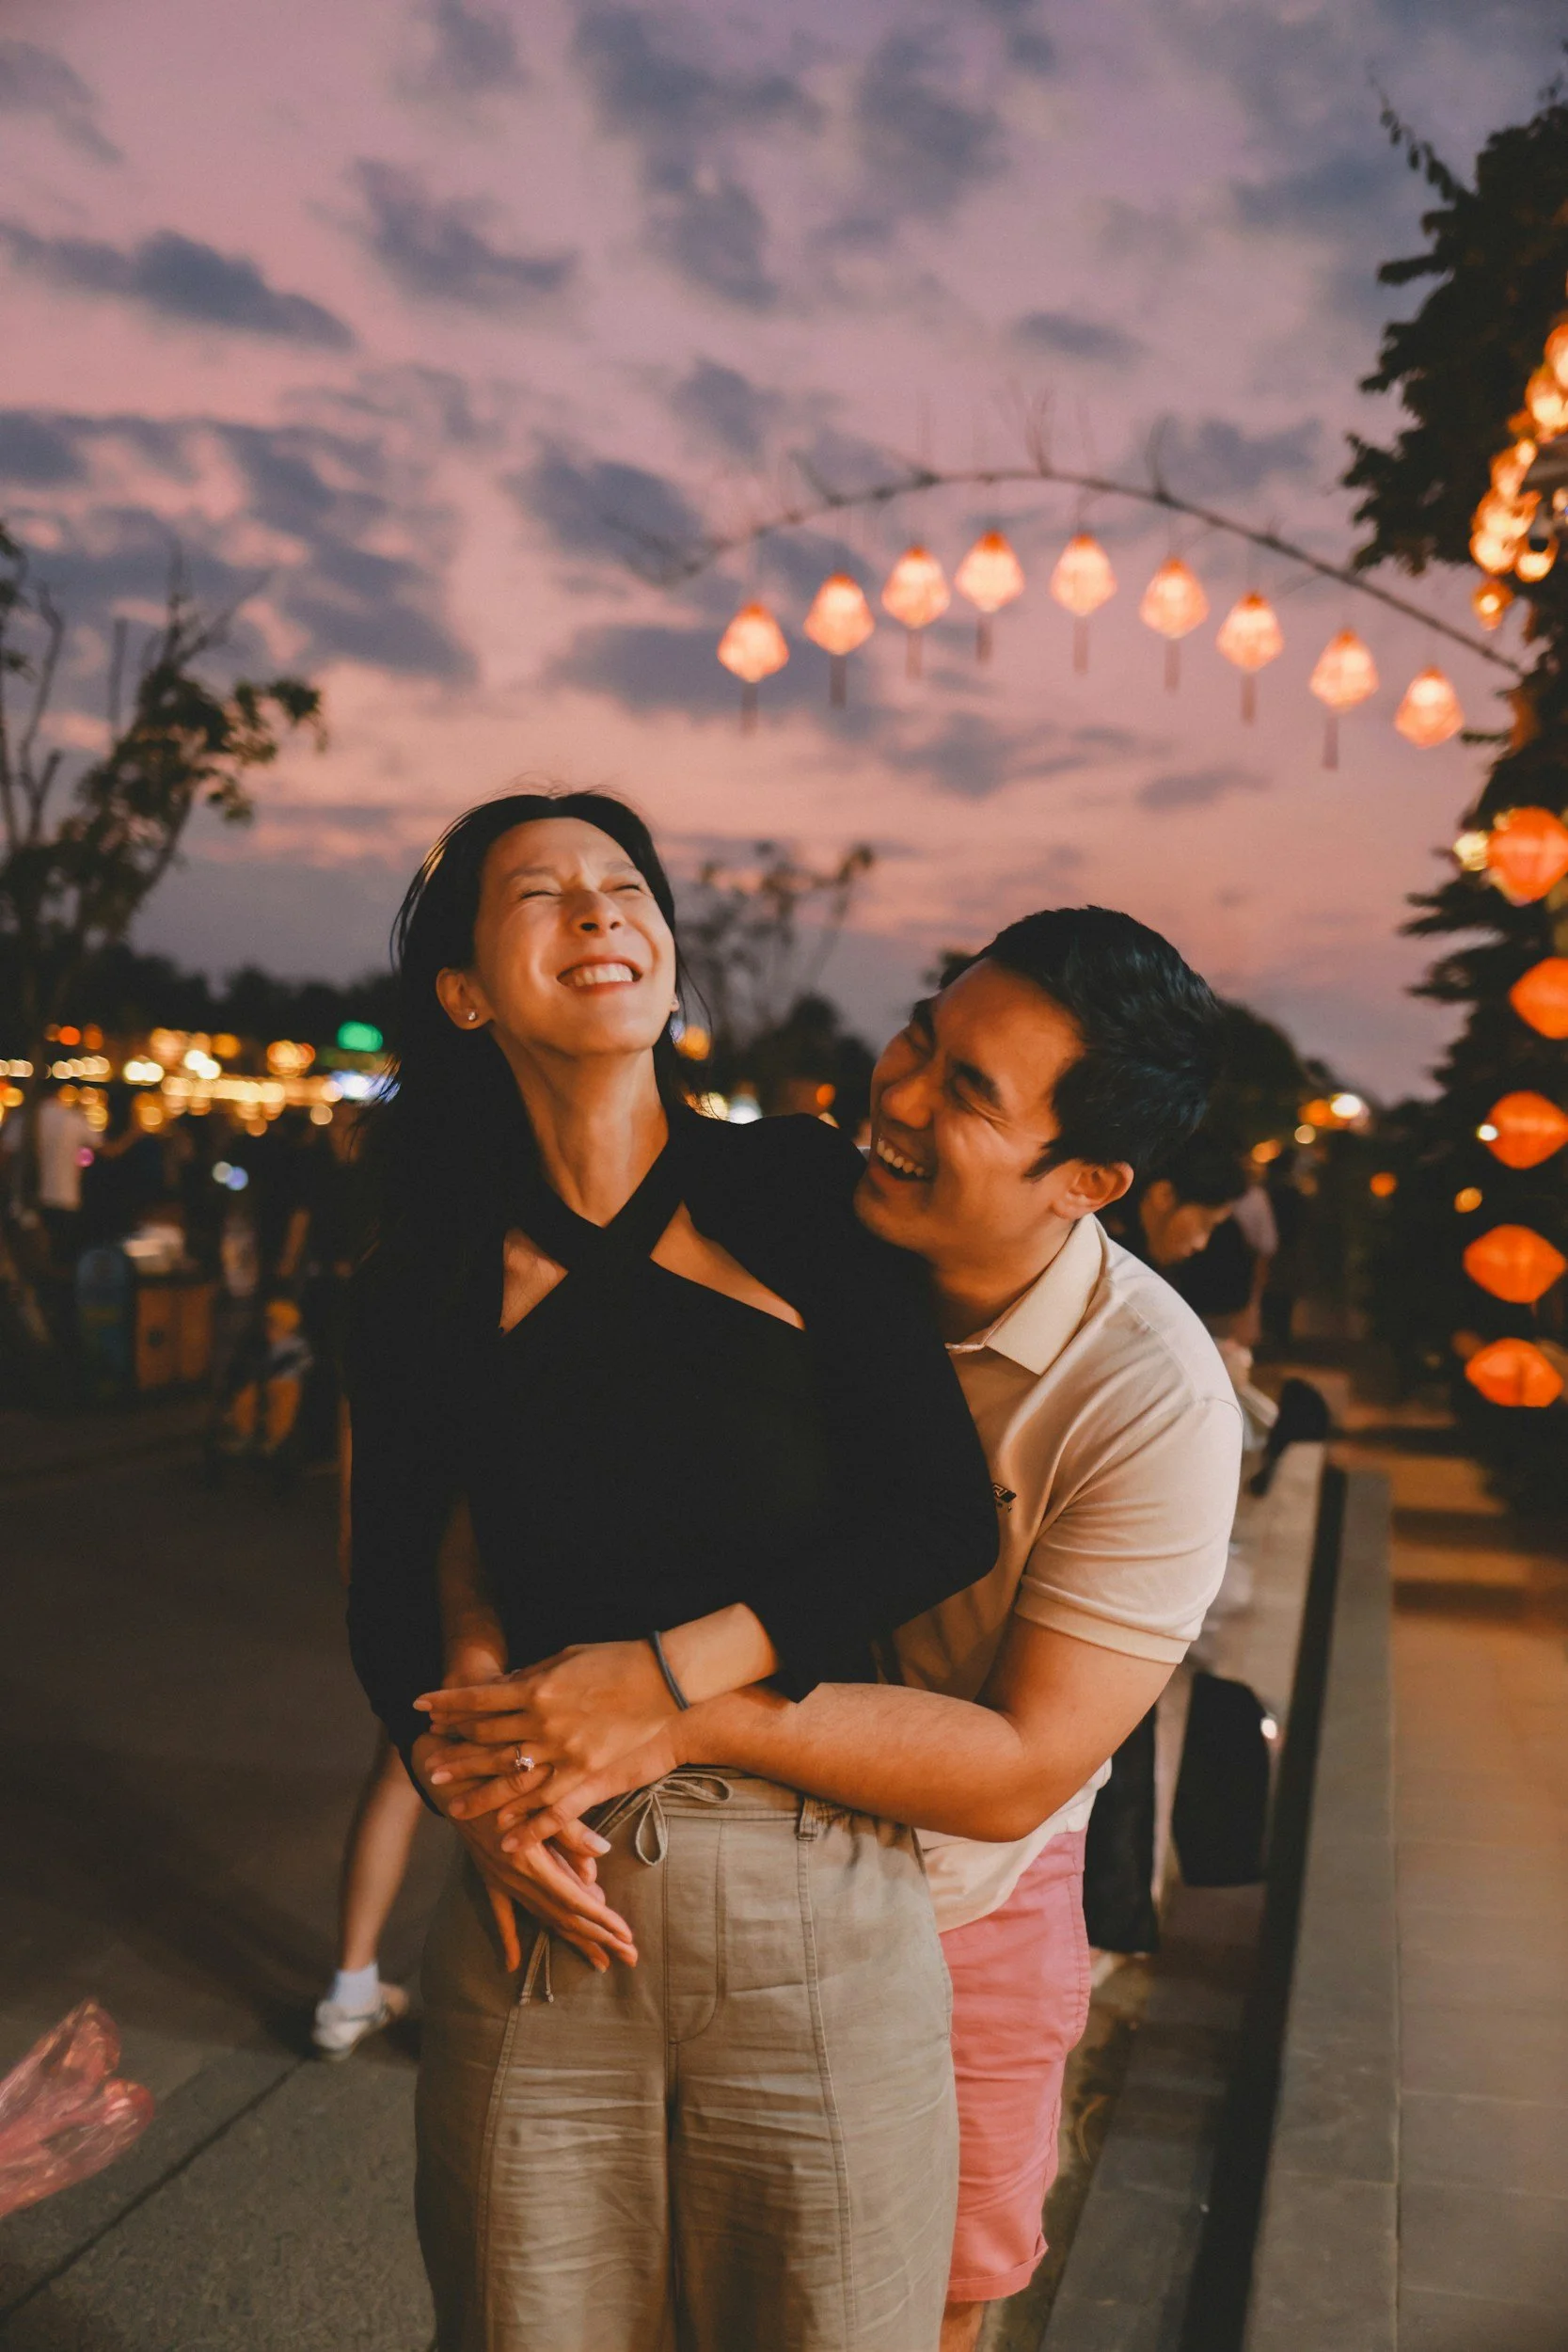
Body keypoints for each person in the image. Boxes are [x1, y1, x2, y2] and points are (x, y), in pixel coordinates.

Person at [429, 909, 1243, 2351]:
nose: (903, 1093)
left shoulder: (1150, 1401)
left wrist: (664, 1697)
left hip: (962, 1901)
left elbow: (1015, 1768)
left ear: (1090, 1181)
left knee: (906, 2310)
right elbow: (491, 1468)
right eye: (922, 1034)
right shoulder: (761, 1208)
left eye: (970, 1093)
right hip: (655, 1868)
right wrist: (491, 1738)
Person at [346, 790, 999, 2352]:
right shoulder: (423, 1272)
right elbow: (387, 1596)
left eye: (623, 884)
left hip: (808, 1897)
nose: (597, 911)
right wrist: (470, 1800)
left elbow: (935, 1521)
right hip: (537, 1919)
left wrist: (663, 1675)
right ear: (463, 991)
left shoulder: (791, 1190)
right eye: (541, 892)